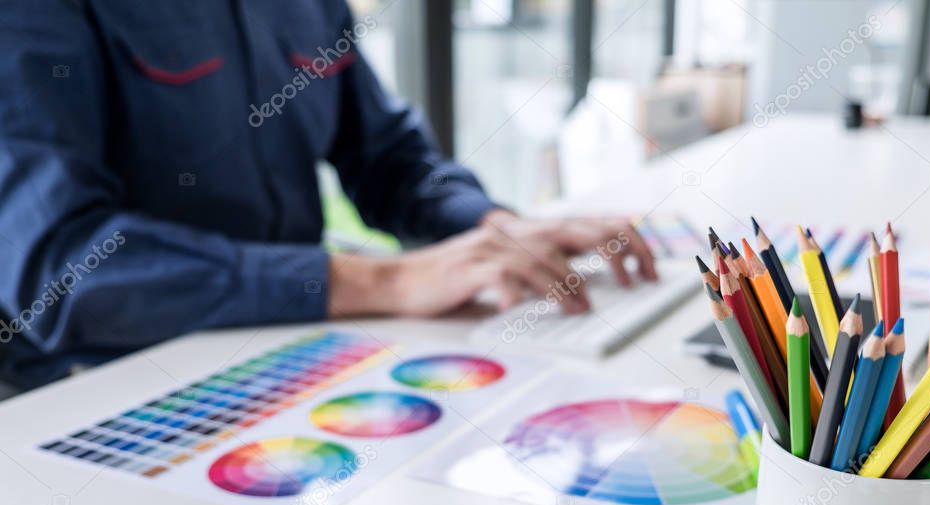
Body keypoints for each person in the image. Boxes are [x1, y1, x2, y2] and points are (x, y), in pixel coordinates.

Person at [0, 2, 656, 391]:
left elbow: (387, 156)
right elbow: (52, 266)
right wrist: (386, 282)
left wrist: (495, 230)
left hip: (288, 351)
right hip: (105, 389)